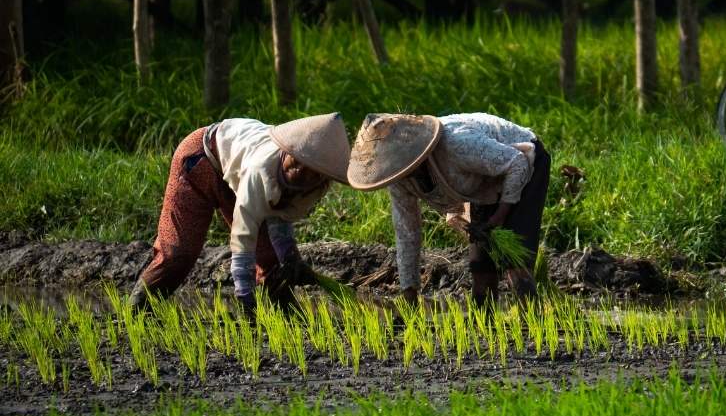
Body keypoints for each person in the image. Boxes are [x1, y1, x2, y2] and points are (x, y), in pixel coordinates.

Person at [129, 114, 351, 312]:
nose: (300, 172)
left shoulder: (316, 185)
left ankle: (286, 319)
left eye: (311, 170)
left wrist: (288, 254)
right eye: (298, 164)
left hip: (236, 173)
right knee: (179, 252)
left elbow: (279, 213)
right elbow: (243, 237)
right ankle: (137, 311)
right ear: (289, 152)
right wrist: (244, 294)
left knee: (272, 259)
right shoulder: (261, 169)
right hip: (201, 159)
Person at [347, 112, 550, 306]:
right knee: (480, 267)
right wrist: (409, 293)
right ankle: (483, 332)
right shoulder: (399, 179)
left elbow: (517, 164)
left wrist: (499, 216)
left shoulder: (456, 143)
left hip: (524, 162)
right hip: (483, 184)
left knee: (515, 264)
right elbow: (407, 232)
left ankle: (532, 330)